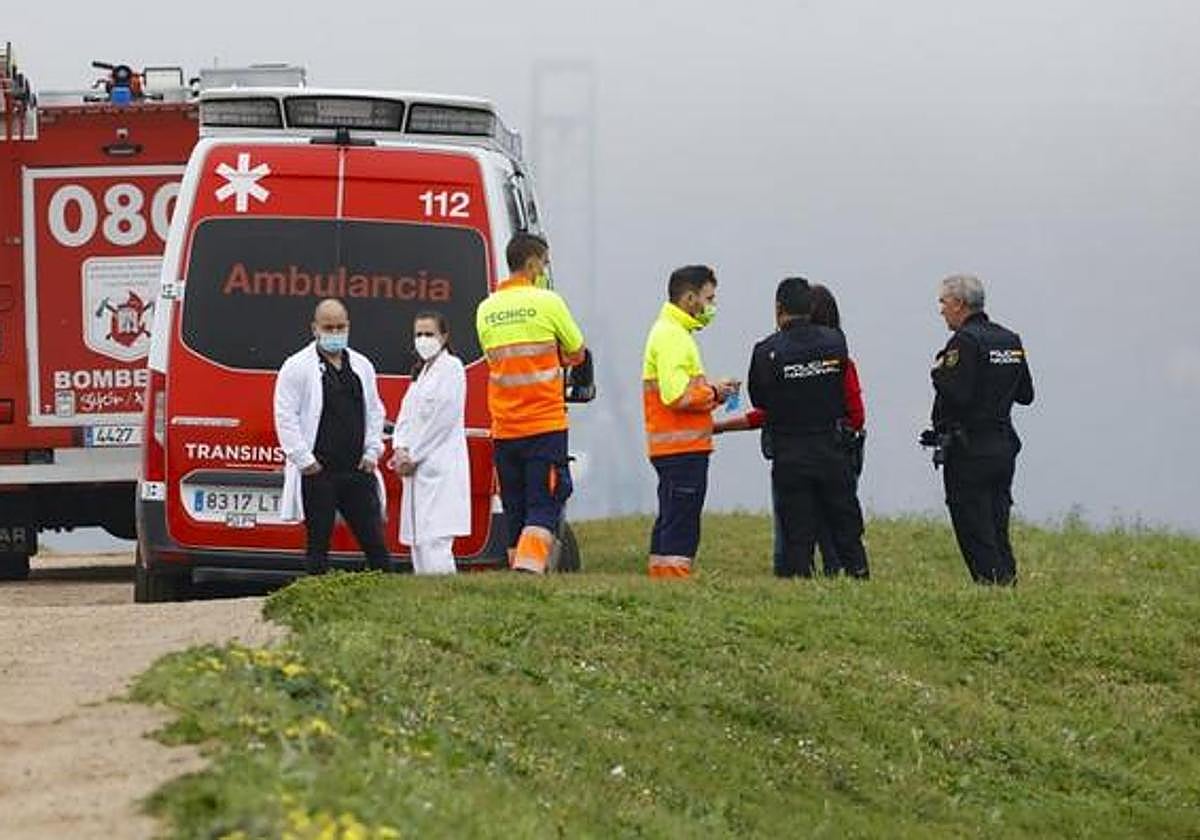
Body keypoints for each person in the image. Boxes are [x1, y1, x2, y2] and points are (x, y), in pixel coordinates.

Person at [715, 283, 866, 577]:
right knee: (846, 526)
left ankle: (798, 582)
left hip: (790, 452)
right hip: (831, 450)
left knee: (796, 532)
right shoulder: (836, 343)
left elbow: (762, 401)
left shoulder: (768, 350)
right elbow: (849, 406)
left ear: (778, 309)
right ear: (810, 309)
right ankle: (857, 577)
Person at [475, 233, 587, 574]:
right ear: (533, 263)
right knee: (546, 500)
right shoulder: (548, 302)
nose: (546, 269)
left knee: (516, 505)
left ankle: (519, 570)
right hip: (544, 423)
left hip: (505, 426)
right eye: (545, 263)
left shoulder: (486, 308)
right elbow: (577, 352)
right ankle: (527, 571)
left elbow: (493, 359)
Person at [927, 274, 1034, 585]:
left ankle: (992, 591)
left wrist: (938, 372)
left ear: (959, 304)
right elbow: (1026, 394)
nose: (942, 310)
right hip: (1003, 447)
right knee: (997, 525)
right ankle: (1007, 587)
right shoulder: (1010, 340)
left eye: (944, 302)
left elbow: (957, 394)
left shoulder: (964, 342)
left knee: (974, 528)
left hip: (969, 450)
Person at [273, 298, 389, 575]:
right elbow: (285, 416)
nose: (335, 333)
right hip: (319, 471)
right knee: (318, 543)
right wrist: (305, 461)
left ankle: (384, 597)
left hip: (357, 469)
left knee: (375, 543)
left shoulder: (361, 366)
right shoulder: (297, 366)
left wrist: (373, 452)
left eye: (340, 327)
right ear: (315, 328)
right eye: (328, 327)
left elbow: (375, 411)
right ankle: (317, 595)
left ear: (348, 326)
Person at [641, 265, 738, 578]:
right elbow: (676, 396)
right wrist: (712, 390)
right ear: (689, 298)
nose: (711, 306)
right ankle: (674, 581)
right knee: (681, 521)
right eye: (708, 298)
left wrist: (715, 395)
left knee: (672, 515)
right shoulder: (672, 336)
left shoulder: (672, 332)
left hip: (675, 446)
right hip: (680, 446)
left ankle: (662, 578)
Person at [392, 312, 470, 575]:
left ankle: (444, 596)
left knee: (436, 541)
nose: (423, 340)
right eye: (418, 334)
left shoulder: (452, 369)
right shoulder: (421, 374)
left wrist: (414, 455)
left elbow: (442, 419)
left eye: (429, 334)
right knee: (418, 541)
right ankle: (424, 597)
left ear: (444, 337)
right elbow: (405, 416)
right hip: (415, 471)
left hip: (438, 467)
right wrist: (400, 448)